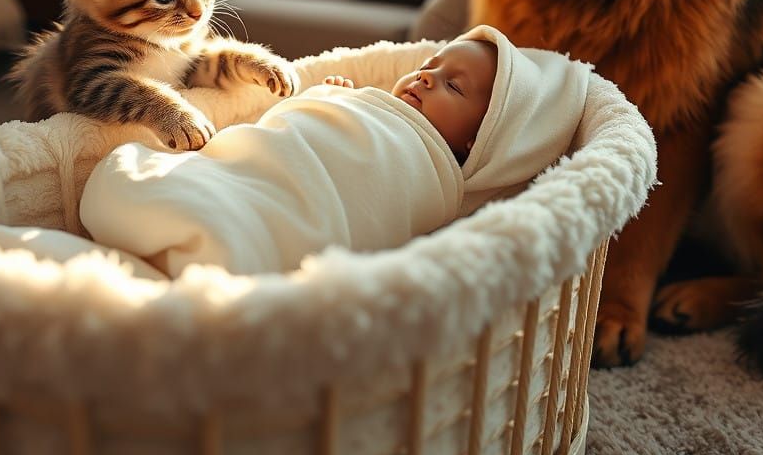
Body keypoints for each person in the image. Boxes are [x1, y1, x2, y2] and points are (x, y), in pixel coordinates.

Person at [80, 26, 592, 277]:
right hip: (237, 182)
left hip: (268, 224)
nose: (425, 76)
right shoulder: (368, 104)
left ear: (476, 146)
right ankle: (190, 211)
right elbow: (283, 135)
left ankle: (216, 237)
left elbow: (368, 209)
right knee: (167, 183)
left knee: (225, 237)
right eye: (431, 65)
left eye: (452, 88)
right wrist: (326, 101)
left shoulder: (439, 187)